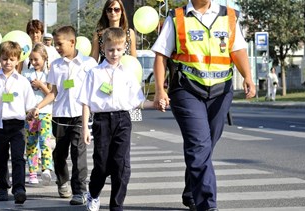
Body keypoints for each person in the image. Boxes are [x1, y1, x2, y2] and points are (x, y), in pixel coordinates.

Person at [151, 1, 256, 210]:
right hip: (186, 89)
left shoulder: (230, 16)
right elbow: (161, 55)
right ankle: (207, 204)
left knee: (205, 145)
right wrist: (160, 90)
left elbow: (238, 50)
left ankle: (191, 191)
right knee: (199, 145)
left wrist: (248, 76)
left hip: (220, 91)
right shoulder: (177, 17)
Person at [27, 26, 98, 205]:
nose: (57, 48)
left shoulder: (88, 64)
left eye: (60, 44)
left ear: (72, 42)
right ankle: (63, 180)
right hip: (59, 116)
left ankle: (80, 191)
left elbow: (97, 88)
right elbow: (53, 92)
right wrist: (37, 107)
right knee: (59, 154)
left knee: (78, 153)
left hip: (80, 116)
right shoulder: (56, 65)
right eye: (56, 45)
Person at [78, 27, 145, 211]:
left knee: (121, 165)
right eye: (110, 50)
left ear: (124, 48)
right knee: (101, 164)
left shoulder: (128, 73)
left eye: (118, 49)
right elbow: (85, 102)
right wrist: (85, 128)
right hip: (102, 121)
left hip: (123, 119)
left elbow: (137, 102)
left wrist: (157, 104)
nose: (114, 53)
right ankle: (94, 192)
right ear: (103, 49)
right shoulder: (94, 73)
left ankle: (117, 205)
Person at [0, 41, 36, 204]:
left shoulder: (23, 81)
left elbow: (30, 103)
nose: (8, 63)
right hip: (0, 124)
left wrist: (32, 111)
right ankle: (2, 185)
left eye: (11, 59)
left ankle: (19, 189)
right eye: (4, 59)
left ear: (17, 60)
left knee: (18, 157)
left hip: (18, 125)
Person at [21, 43, 54, 185]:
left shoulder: (49, 74)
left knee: (45, 141)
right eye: (31, 60)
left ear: (44, 58)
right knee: (31, 143)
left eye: (36, 59)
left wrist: (41, 85)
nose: (33, 62)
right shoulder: (25, 74)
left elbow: (52, 94)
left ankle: (46, 168)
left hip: (45, 112)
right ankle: (32, 172)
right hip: (30, 114)